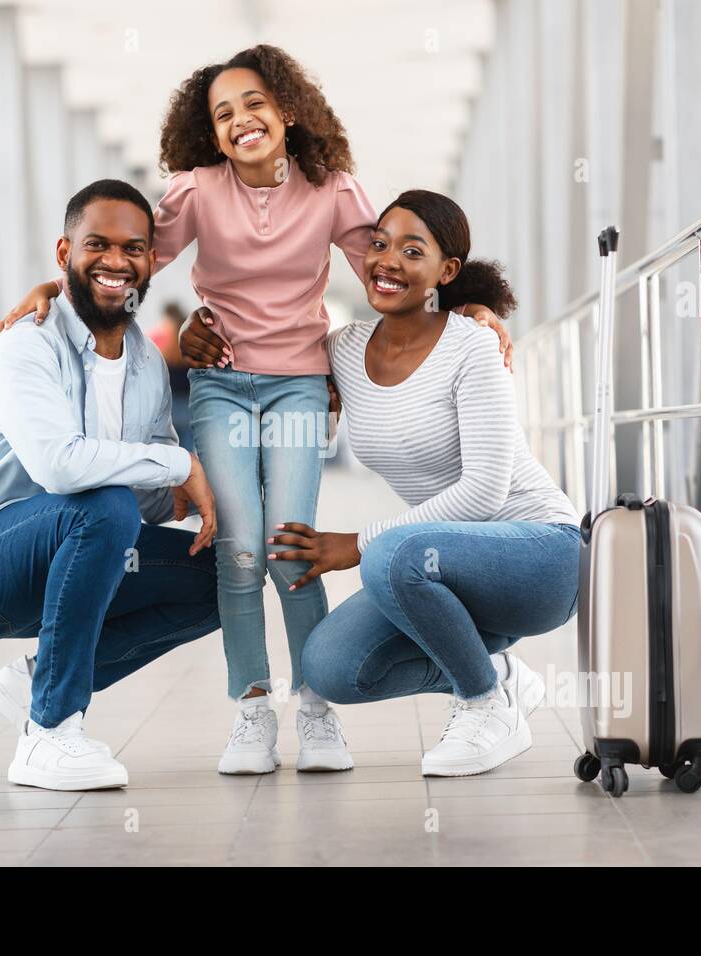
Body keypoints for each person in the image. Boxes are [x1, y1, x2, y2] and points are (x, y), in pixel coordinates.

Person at [0, 46, 511, 777]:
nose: (240, 121)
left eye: (254, 104)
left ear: (288, 109)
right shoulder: (197, 190)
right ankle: (252, 712)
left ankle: (319, 712)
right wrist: (53, 288)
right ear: (210, 130)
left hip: (299, 386)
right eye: (223, 113)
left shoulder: (333, 191)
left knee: (287, 545)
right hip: (222, 388)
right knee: (236, 551)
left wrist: (472, 310)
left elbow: (396, 268)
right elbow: (123, 262)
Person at [239, 190, 580, 778]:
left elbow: (485, 491)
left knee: (391, 556)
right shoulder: (343, 351)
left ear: (445, 273)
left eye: (411, 250)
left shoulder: (473, 344)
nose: (387, 259)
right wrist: (198, 327)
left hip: (541, 555)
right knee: (332, 667)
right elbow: (258, 353)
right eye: (379, 243)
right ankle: (494, 674)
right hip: (443, 567)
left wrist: (358, 543)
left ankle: (482, 705)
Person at [0, 180, 220, 791]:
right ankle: (50, 734)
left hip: (69, 550)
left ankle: (37, 681)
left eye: (133, 248)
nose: (116, 262)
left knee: (220, 577)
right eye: (97, 245)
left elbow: (146, 498)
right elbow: (61, 468)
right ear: (64, 255)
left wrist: (225, 502)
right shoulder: (25, 345)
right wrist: (179, 465)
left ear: (152, 261)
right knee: (101, 504)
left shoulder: (143, 364)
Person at [148, 301, 194, 451]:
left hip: (169, 406)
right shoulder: (191, 339)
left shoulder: (160, 339)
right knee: (188, 452)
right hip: (189, 405)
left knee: (169, 451)